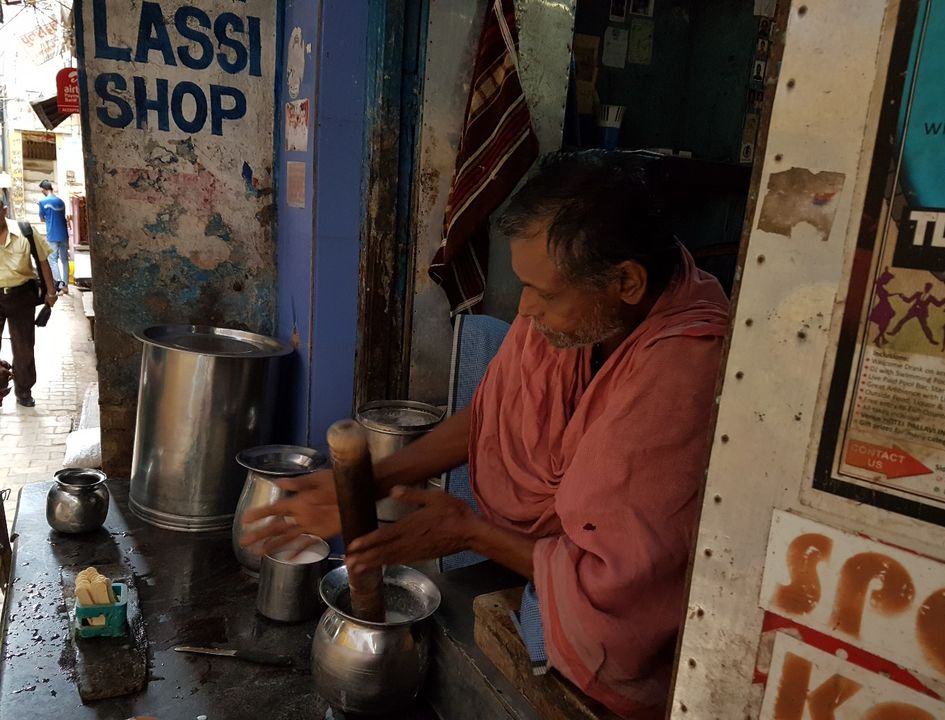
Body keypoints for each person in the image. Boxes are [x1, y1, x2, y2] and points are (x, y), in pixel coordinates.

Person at [241, 154, 729, 718]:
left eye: (544, 295)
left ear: (626, 281)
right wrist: (374, 480)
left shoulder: (681, 378)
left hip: (620, 613)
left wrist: (469, 533)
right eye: (524, 286)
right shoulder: (583, 316)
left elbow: (622, 584)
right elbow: (492, 417)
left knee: (583, 641)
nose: (524, 311)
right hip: (547, 553)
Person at [0, 200, 58, 407]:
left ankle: (23, 390)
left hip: (21, 296)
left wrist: (51, 292)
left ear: (3, 210)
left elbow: (43, 261)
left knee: (24, 347)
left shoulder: (25, 231)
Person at [38, 179, 70, 295]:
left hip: (52, 234)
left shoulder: (42, 202)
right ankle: (66, 286)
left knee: (52, 260)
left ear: (44, 189)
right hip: (64, 234)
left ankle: (60, 286)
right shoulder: (61, 202)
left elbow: (41, 219)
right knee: (65, 260)